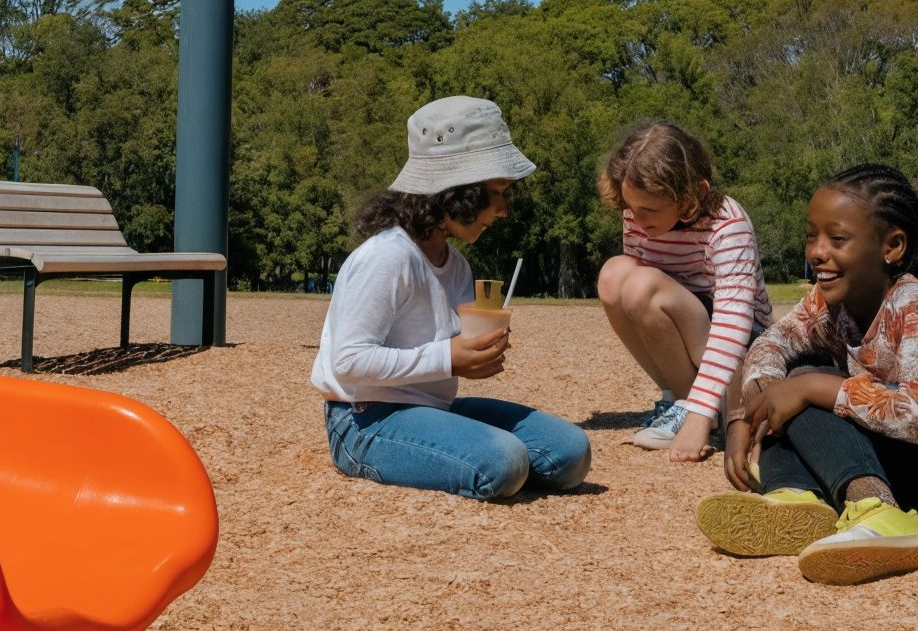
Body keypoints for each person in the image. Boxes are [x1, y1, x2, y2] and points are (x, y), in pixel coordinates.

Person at [695, 163, 918, 583]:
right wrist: (746, 414)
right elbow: (770, 344)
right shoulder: (827, 303)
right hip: (900, 471)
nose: (817, 252)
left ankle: (878, 511)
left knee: (809, 381)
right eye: (811, 236)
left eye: (837, 239)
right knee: (793, 376)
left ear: (893, 246)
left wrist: (815, 387)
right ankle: (796, 499)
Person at [311, 96, 591, 501]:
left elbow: (448, 347)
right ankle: (461, 456)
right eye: (497, 192)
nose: (504, 210)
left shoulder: (456, 265)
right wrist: (449, 358)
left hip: (432, 409)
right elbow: (349, 361)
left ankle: (455, 452)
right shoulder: (387, 257)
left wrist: (478, 349)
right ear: (456, 191)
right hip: (364, 419)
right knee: (503, 462)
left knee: (570, 452)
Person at [593, 121, 767, 461]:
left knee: (642, 287)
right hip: (688, 318)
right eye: (630, 208)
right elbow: (635, 302)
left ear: (692, 195)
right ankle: (679, 399)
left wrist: (700, 414)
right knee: (614, 277)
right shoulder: (636, 213)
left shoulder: (727, 224)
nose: (637, 220)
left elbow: (734, 321)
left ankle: (700, 409)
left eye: (650, 210)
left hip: (741, 340)